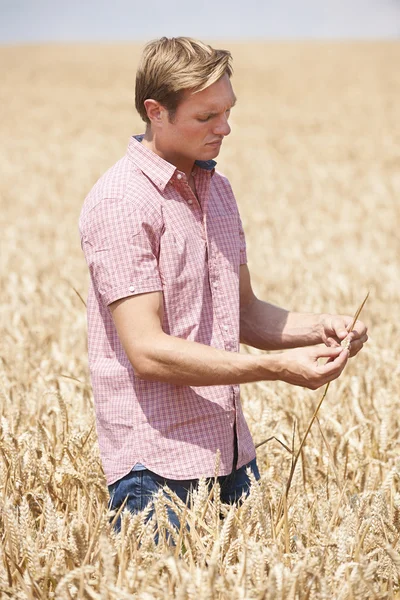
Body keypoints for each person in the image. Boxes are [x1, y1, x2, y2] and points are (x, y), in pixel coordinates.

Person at [79, 37, 368, 532]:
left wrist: (320, 328)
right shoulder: (121, 202)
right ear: (156, 112)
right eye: (206, 117)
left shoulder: (218, 190)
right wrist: (274, 368)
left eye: (228, 111)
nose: (225, 128)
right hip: (155, 467)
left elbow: (245, 313)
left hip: (232, 455)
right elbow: (147, 351)